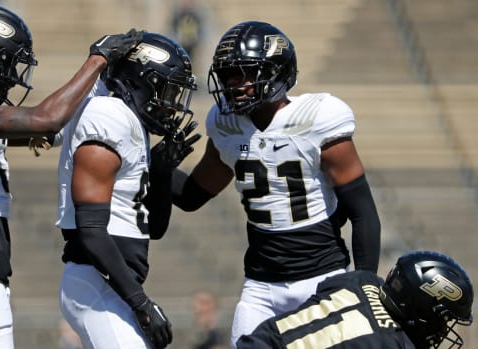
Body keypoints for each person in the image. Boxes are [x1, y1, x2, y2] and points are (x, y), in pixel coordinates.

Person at [0, 4, 142, 349]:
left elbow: (48, 131)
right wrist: (96, 61)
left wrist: (99, 90)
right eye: (6, 62)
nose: (11, 74)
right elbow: (42, 122)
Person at [163, 20, 382, 346]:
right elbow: (192, 196)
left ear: (277, 73)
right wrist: (154, 165)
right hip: (261, 286)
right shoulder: (226, 126)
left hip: (322, 279)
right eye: (228, 76)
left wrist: (365, 283)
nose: (234, 85)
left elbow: (362, 211)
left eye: (244, 74)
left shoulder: (316, 119)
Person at [56, 32, 200, 349]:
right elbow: (91, 229)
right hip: (96, 280)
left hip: (112, 283)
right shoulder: (110, 116)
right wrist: (141, 304)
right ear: (140, 82)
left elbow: (156, 228)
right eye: (167, 90)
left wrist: (161, 172)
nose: (171, 105)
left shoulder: (131, 125)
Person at [236, 250, 474, 349]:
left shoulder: (363, 281)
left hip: (260, 339)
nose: (443, 330)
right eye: (442, 319)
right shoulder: (390, 344)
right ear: (421, 309)